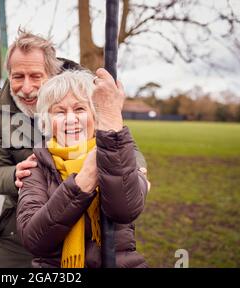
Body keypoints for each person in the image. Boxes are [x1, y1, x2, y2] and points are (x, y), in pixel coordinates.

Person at [16, 69, 149, 268]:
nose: (71, 119)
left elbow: (124, 210)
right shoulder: (35, 167)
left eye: (79, 109)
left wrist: (111, 141)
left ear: (96, 115)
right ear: (47, 121)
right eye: (59, 112)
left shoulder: (118, 155)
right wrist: (82, 182)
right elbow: (34, 240)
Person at [0, 30, 81, 268]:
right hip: (19, 228)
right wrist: (15, 175)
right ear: (9, 74)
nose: (26, 88)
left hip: (79, 225)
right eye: (18, 77)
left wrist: (137, 168)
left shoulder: (81, 98)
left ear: (53, 74)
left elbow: (118, 140)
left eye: (36, 76)